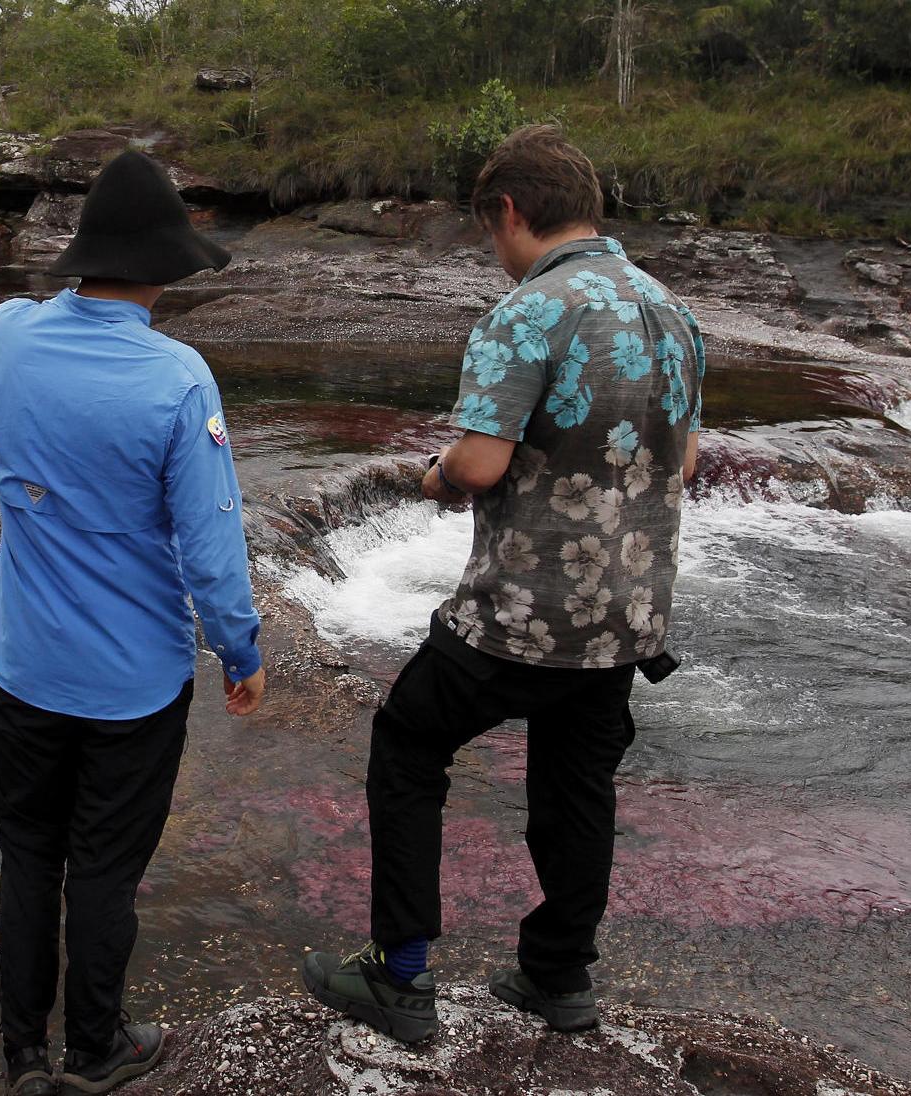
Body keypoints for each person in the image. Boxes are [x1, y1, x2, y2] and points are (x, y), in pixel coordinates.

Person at [300, 125, 704, 1042]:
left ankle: (400, 976)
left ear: (510, 212)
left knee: (407, 747)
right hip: (624, 618)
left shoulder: (527, 311)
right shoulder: (671, 310)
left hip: (516, 616)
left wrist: (434, 475)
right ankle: (557, 978)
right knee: (576, 787)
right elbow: (683, 459)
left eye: (491, 231)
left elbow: (478, 466)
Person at [0, 149, 265, 1096]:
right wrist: (239, 649)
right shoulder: (179, 380)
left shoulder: (4, 340)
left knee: (28, 856)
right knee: (101, 868)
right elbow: (211, 546)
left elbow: (19, 328)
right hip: (131, 683)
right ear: (167, 266)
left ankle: (23, 1052)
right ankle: (96, 1049)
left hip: (22, 664)